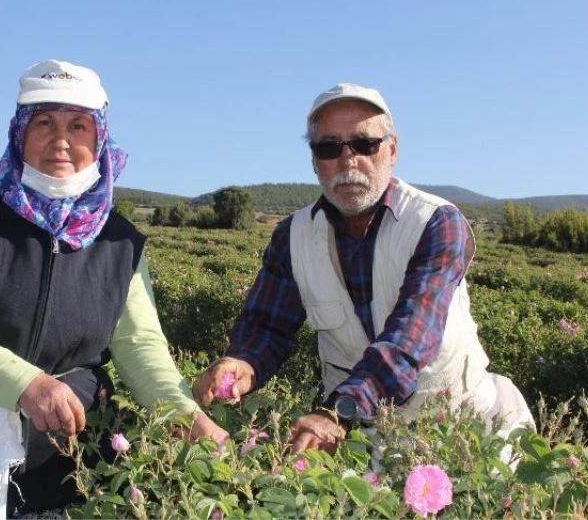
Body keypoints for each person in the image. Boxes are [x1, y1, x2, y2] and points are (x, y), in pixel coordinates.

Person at [0, 59, 228, 513]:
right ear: (20, 132)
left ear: (100, 139)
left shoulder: (120, 240)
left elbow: (139, 346)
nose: (61, 141)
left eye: (78, 126)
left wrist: (182, 412)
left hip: (69, 458)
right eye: (44, 123)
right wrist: (26, 384)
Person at [194, 82, 535, 454]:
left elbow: (409, 338)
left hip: (461, 430)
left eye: (364, 144)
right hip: (362, 437)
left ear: (392, 149)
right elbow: (268, 325)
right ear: (314, 160)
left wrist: (336, 412)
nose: (348, 159)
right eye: (329, 147)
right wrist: (242, 362)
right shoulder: (291, 236)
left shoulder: (436, 222)